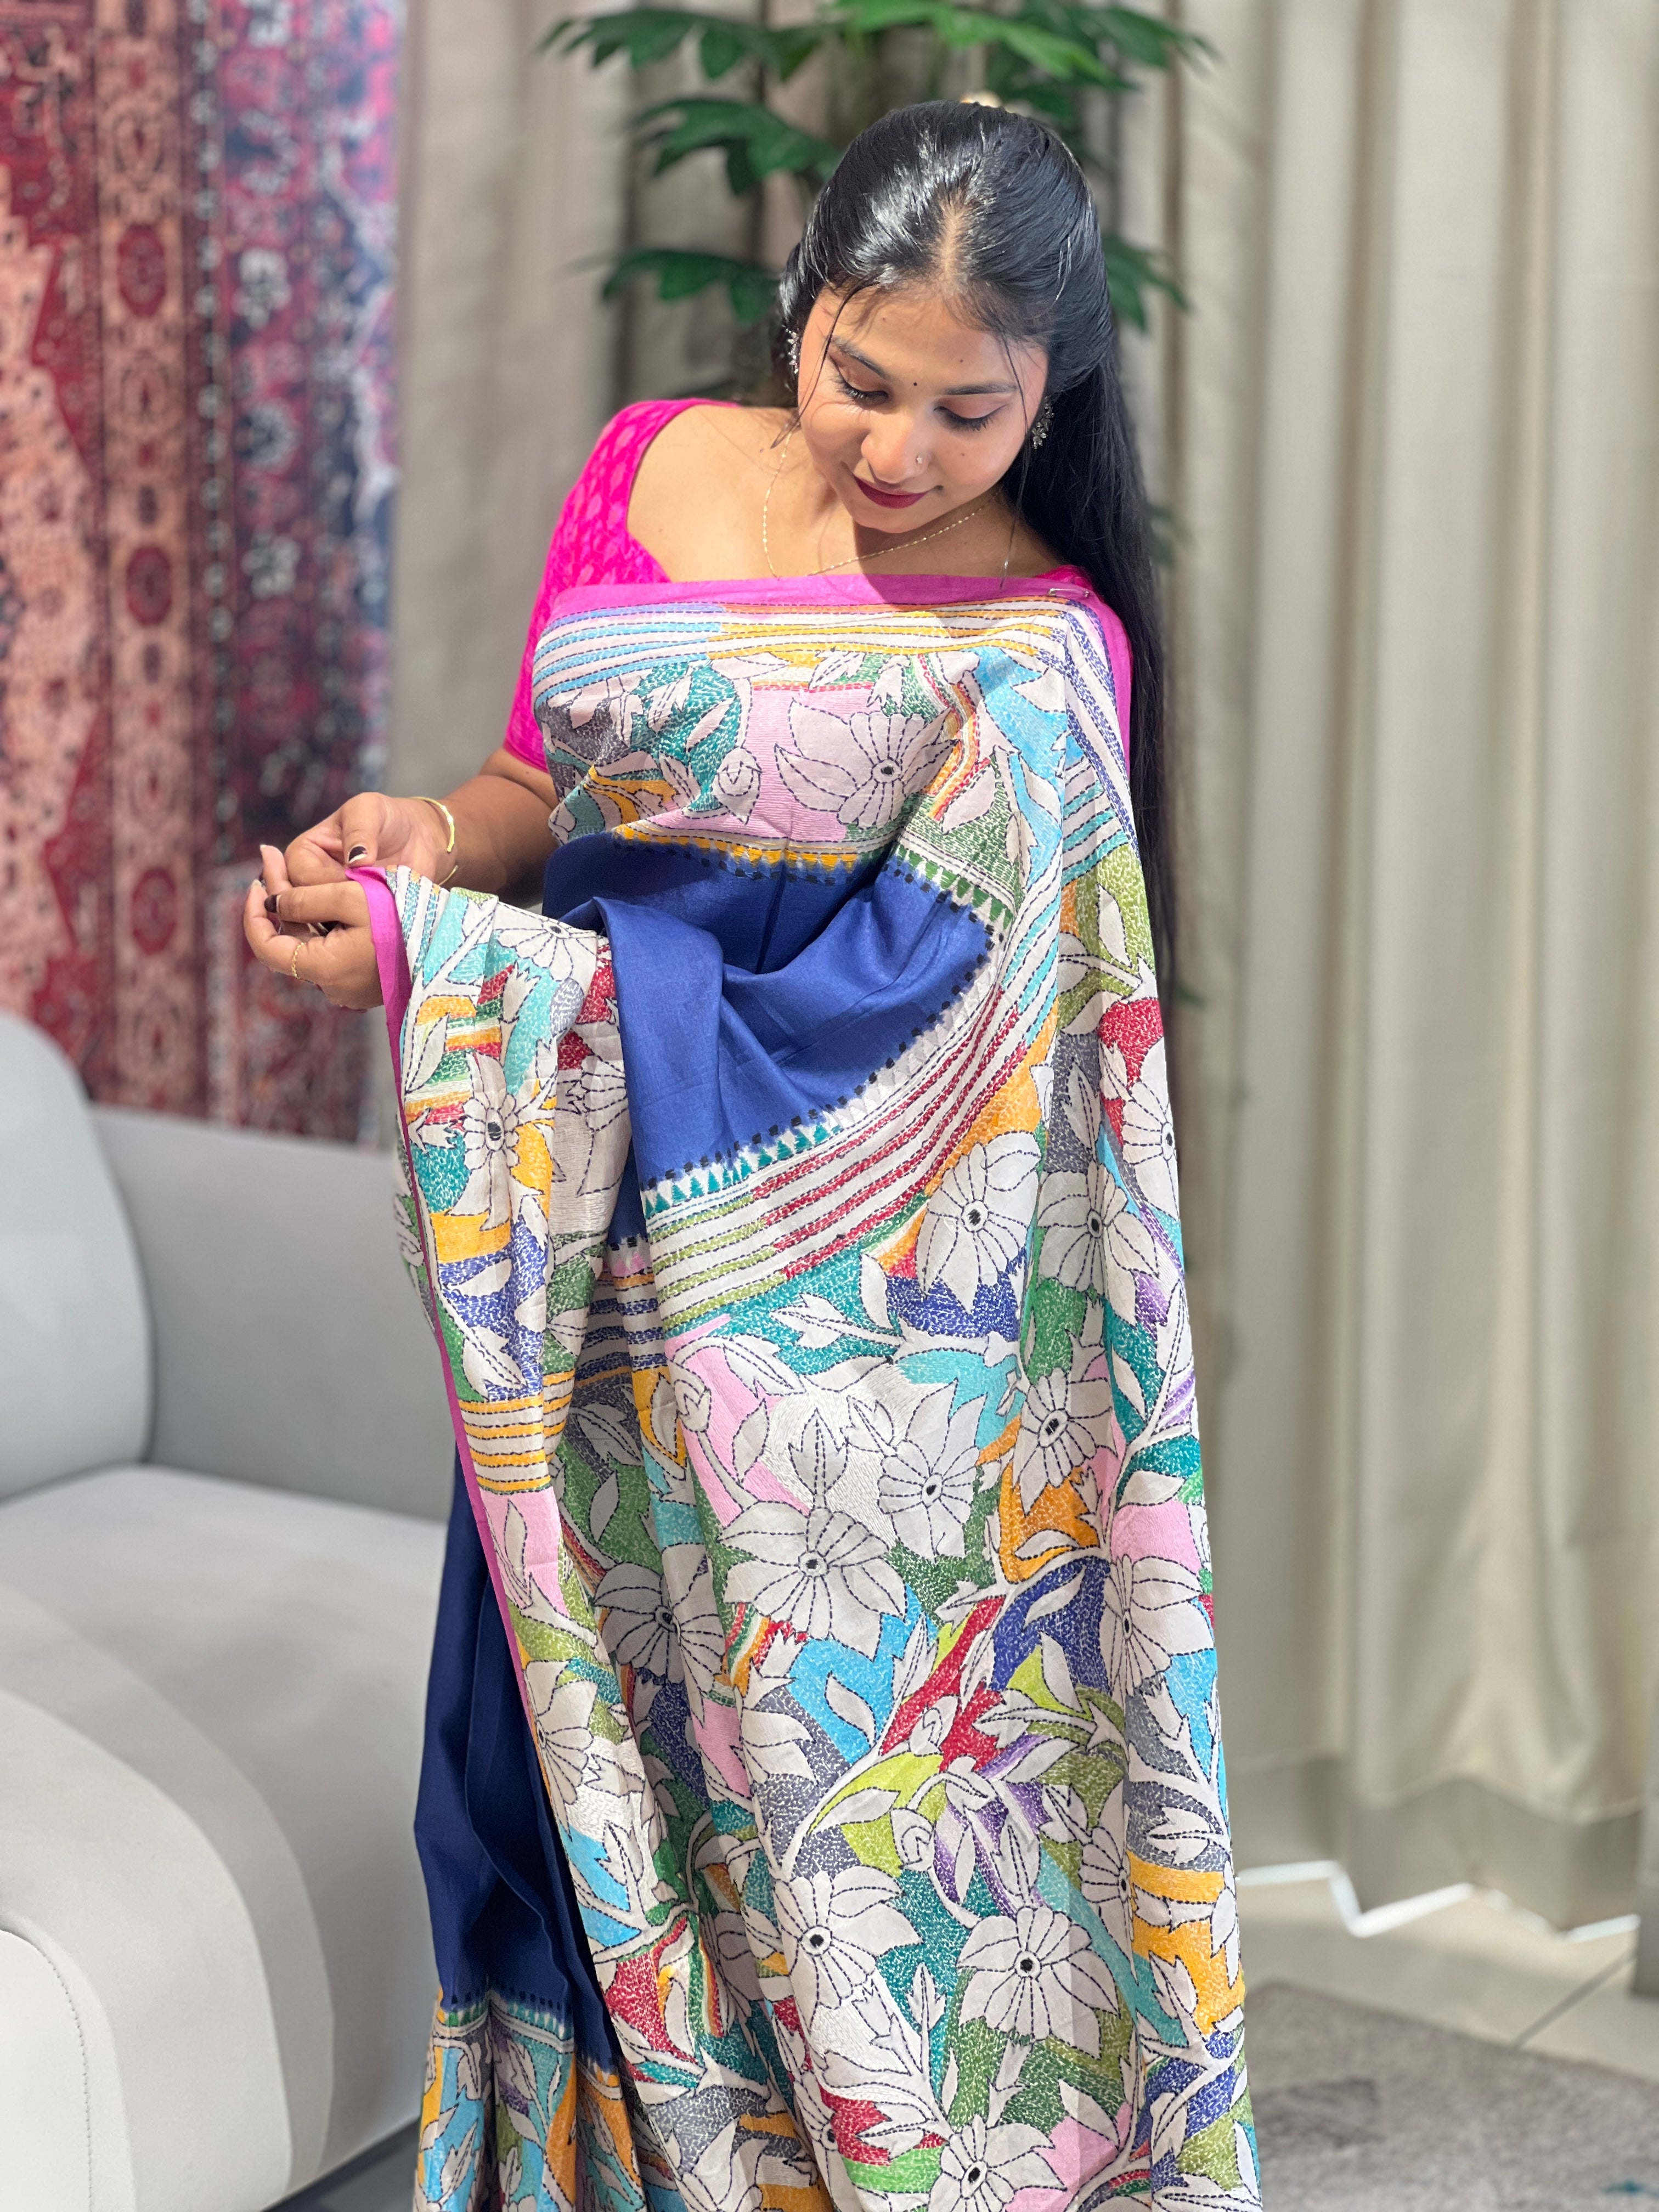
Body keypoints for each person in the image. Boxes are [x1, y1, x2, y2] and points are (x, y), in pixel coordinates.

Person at [247, 100, 1256, 2212]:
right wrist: (432, 848)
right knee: (568, 1788)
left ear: (1051, 395)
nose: (898, 450)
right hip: (584, 1246)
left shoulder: (1046, 646)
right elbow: (548, 788)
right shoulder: (648, 466)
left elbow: (931, 1016)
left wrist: (472, 975)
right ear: (800, 309)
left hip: (842, 1337)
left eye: (968, 413)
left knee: (821, 1820)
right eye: (860, 380)